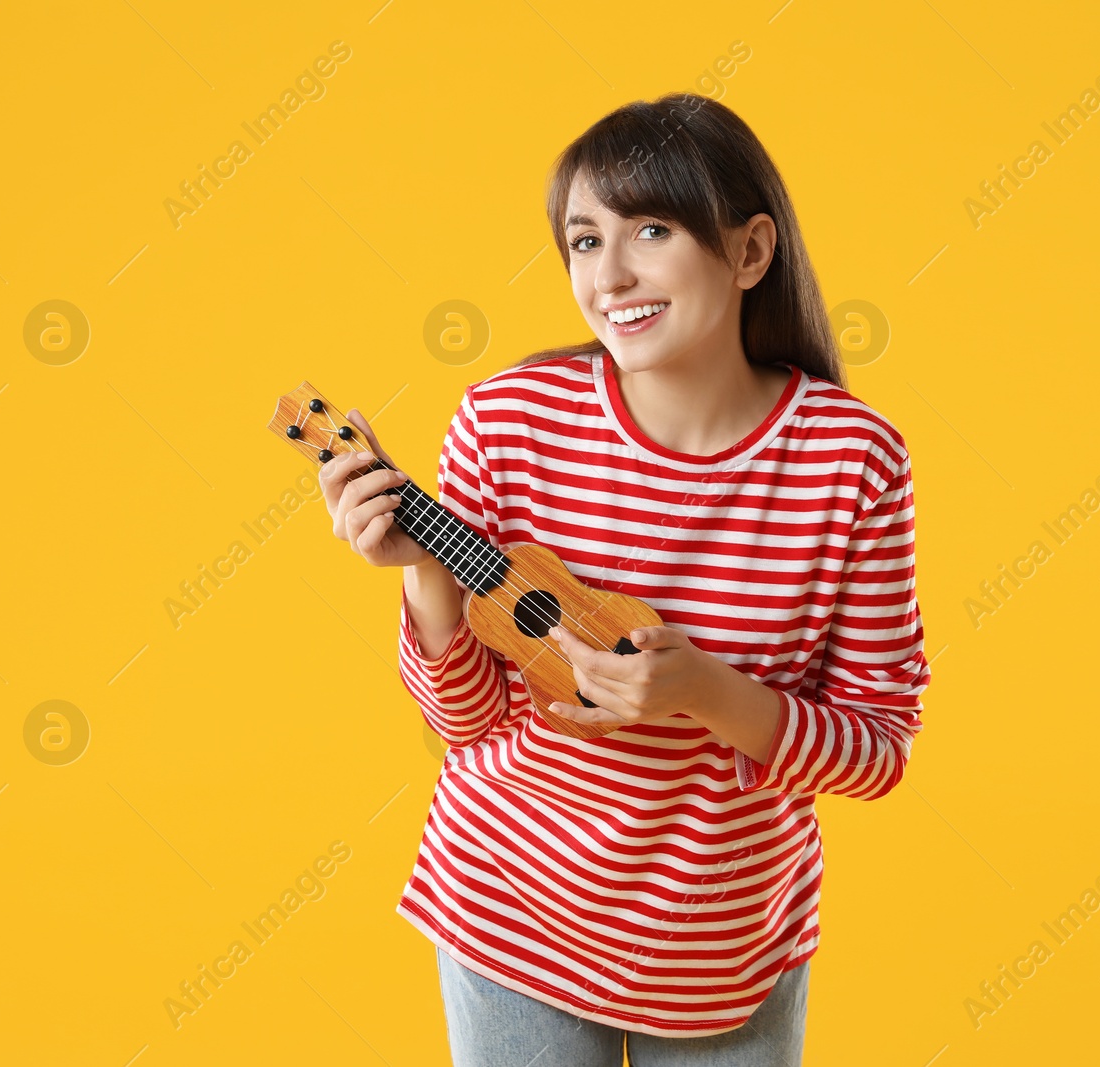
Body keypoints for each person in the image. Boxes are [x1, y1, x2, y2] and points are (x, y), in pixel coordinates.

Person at [319, 91, 930, 1067]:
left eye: (649, 228)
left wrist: (705, 691)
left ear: (748, 252)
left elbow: (878, 749)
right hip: (508, 911)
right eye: (583, 239)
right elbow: (465, 723)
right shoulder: (506, 420)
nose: (610, 275)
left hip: (719, 944)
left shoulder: (850, 462)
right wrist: (422, 575)